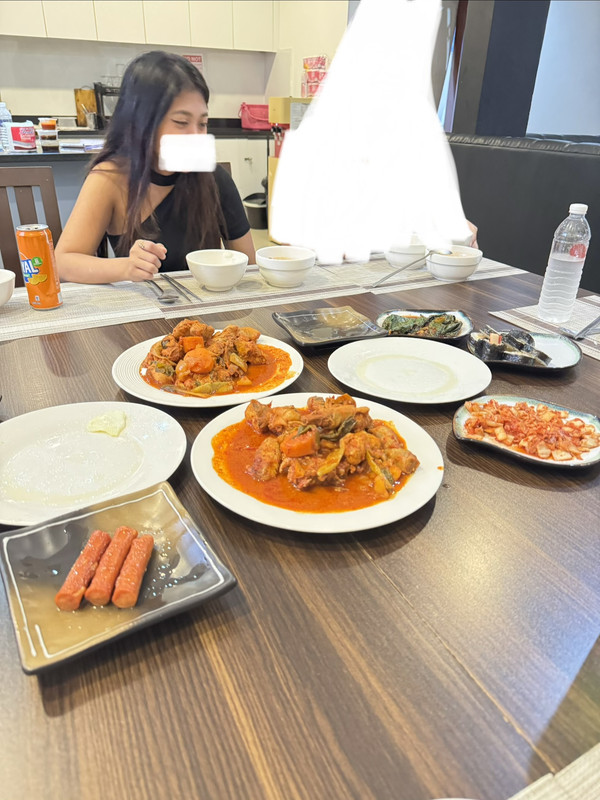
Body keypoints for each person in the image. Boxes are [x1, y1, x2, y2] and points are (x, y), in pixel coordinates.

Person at [56, 51, 255, 284]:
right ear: (141, 122)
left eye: (202, 123)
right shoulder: (110, 178)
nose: (196, 136)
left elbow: (249, 267)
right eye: (181, 122)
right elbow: (63, 262)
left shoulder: (214, 179)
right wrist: (126, 268)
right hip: (141, 303)